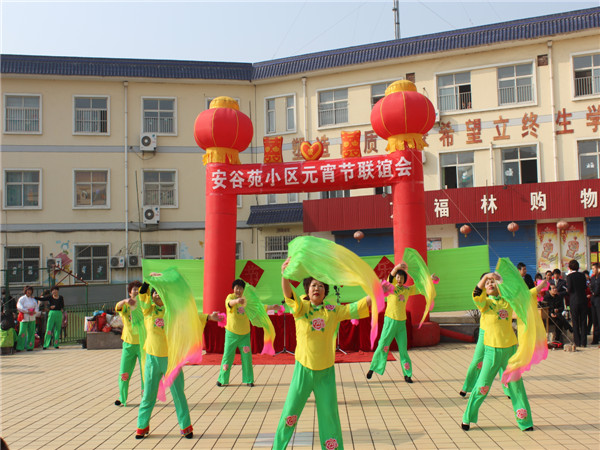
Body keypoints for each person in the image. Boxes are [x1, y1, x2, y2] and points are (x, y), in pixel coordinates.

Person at [273, 258, 372, 450]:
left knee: (329, 416)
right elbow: (288, 293)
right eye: (313, 285)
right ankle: (278, 447)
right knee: (290, 413)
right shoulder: (301, 308)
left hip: (325, 374)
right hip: (303, 371)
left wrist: (377, 294)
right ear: (307, 290)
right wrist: (284, 275)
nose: (316, 288)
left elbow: (355, 308)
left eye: (320, 286)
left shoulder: (332, 311)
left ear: (325, 291)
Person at [135, 273, 219, 440]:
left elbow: (190, 317)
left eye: (160, 292)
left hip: (171, 360)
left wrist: (209, 317)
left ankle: (185, 427)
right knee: (148, 396)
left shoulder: (172, 311)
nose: (157, 295)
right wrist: (148, 281)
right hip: (152, 360)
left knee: (178, 395)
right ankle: (142, 427)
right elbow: (142, 293)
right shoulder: (148, 311)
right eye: (155, 292)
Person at [461, 273, 535, 432]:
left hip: (510, 352)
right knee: (482, 386)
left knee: (517, 388)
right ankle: (468, 417)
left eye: (492, 282)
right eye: (487, 283)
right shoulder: (485, 303)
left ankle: (525, 422)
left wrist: (502, 281)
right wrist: (486, 277)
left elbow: (520, 294)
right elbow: (476, 293)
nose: (490, 284)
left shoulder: (507, 301)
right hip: (491, 352)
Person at [366, 262, 426, 383]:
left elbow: (420, 286)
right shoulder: (390, 287)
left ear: (404, 280)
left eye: (402, 277)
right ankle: (373, 368)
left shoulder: (407, 290)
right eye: (398, 277)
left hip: (401, 323)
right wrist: (397, 268)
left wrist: (430, 280)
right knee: (383, 345)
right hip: (390, 320)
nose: (399, 279)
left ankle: (407, 374)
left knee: (403, 350)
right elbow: (391, 276)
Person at [216, 279, 254, 387]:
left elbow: (257, 307)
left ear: (243, 290)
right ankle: (222, 379)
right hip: (231, 333)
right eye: (237, 288)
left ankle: (249, 379)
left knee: (247, 358)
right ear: (233, 289)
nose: (238, 290)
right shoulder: (230, 297)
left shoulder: (247, 300)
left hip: (245, 334)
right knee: (227, 356)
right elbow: (229, 303)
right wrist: (237, 301)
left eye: (241, 288)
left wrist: (272, 307)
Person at [114, 280, 143, 407]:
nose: (136, 291)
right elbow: (117, 307)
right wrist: (125, 301)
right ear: (130, 292)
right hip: (128, 343)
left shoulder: (145, 305)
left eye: (139, 289)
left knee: (145, 373)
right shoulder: (125, 305)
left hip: (143, 344)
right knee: (124, 372)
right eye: (134, 289)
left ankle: (145, 398)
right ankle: (122, 398)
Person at [566, 260, 588, 348]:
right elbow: (585, 287)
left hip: (574, 301)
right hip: (583, 300)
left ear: (570, 268)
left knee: (575, 322)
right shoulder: (582, 275)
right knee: (583, 321)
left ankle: (577, 342)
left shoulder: (569, 276)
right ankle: (584, 342)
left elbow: (569, 289)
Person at [16, 286, 39, 351]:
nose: (29, 292)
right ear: (25, 291)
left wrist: (35, 311)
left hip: (32, 317)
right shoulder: (22, 299)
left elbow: (36, 307)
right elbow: (19, 306)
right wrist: (27, 311)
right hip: (24, 317)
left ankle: (30, 346)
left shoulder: (33, 300)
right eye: (28, 290)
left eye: (30, 290)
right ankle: (20, 347)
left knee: (31, 332)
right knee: (22, 332)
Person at [589, 263, 600, 346]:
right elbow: (591, 287)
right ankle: (595, 339)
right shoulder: (592, 278)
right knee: (594, 319)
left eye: (594, 268)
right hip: (593, 300)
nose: (593, 270)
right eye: (592, 268)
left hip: (599, 299)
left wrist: (595, 292)